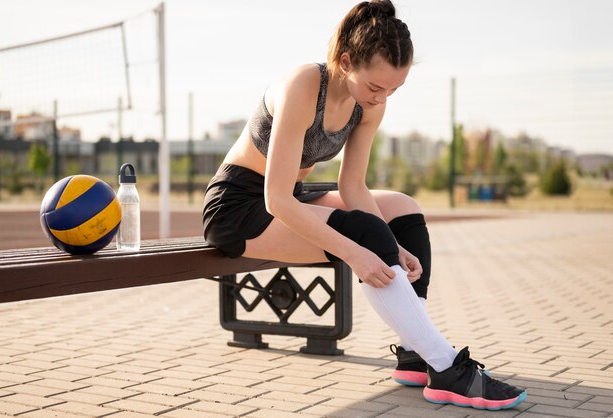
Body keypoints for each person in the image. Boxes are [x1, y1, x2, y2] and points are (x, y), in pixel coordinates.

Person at [203, 0, 526, 410]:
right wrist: (357, 253)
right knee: (365, 232)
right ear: (345, 61)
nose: (382, 98)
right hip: (239, 207)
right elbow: (277, 198)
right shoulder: (304, 84)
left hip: (290, 194)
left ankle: (414, 350)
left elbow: (353, 186)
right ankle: (447, 367)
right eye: (376, 87)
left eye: (394, 89)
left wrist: (396, 245)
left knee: (402, 211)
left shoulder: (369, 103)